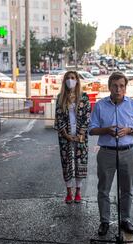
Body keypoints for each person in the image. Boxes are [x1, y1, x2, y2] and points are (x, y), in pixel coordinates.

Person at [89, 71, 133, 236]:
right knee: (103, 189)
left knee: (127, 189)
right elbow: (92, 130)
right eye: (114, 86)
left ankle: (125, 220)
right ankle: (104, 221)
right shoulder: (100, 105)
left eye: (121, 86)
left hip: (128, 152)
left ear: (125, 87)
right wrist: (106, 130)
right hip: (106, 152)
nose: (118, 89)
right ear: (109, 87)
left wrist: (129, 130)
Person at [54, 71, 91, 204]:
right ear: (64, 81)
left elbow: (87, 116)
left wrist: (80, 133)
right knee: (67, 162)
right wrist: (66, 135)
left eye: (73, 78)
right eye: (68, 78)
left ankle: (78, 192)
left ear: (77, 80)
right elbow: (58, 117)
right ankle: (69, 192)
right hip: (65, 136)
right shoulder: (60, 97)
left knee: (80, 162)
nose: (70, 80)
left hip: (81, 135)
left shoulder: (84, 97)